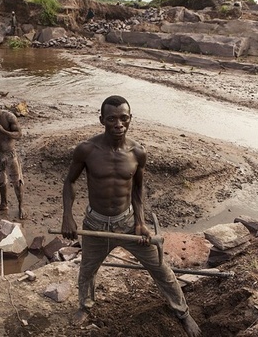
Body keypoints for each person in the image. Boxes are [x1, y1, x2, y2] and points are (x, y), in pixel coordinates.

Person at [61, 95, 201, 336]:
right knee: (87, 270)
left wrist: (140, 222)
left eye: (124, 118)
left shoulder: (137, 152)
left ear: (130, 119)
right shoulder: (87, 150)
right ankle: (85, 307)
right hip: (95, 224)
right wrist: (67, 216)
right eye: (112, 119)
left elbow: (137, 188)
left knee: (160, 268)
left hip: (127, 223)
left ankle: (183, 313)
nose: (118, 124)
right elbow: (69, 182)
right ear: (102, 120)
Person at [0, 99, 24, 218]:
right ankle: (3, 204)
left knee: (17, 181)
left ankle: (21, 206)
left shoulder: (9, 117)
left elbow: (19, 135)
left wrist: (3, 131)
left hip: (10, 153)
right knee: (0, 179)